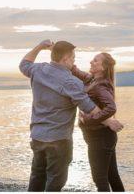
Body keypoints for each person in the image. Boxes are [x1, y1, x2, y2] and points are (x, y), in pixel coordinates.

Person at [19, 40, 122, 192]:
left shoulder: (37, 70)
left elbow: (24, 64)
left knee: (37, 177)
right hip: (59, 140)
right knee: (55, 182)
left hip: (37, 137)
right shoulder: (71, 82)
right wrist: (109, 122)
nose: (74, 62)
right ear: (66, 59)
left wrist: (40, 46)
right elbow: (87, 106)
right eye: (73, 58)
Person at [72, 52, 125, 191]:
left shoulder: (100, 86)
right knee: (112, 176)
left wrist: (89, 120)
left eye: (95, 61)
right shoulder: (92, 80)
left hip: (100, 137)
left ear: (103, 67)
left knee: (99, 179)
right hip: (103, 137)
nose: (91, 62)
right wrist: (68, 62)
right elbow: (77, 72)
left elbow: (111, 108)